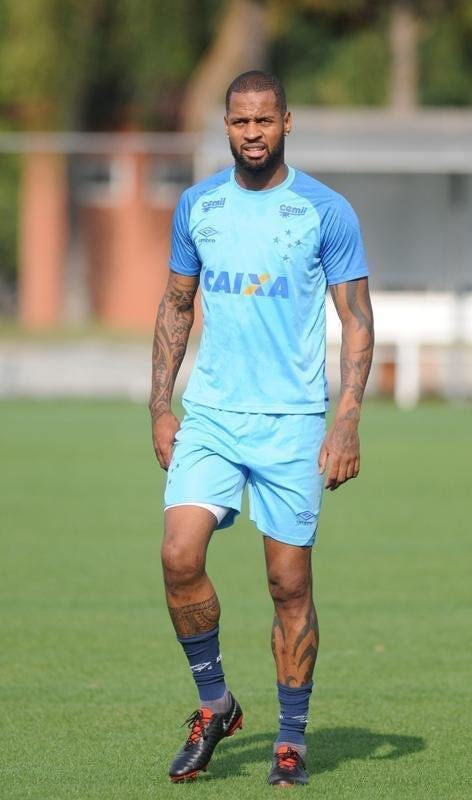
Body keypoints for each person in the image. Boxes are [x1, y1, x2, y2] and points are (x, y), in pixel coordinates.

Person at [149, 70, 374, 787]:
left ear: (287, 122)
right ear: (225, 125)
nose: (253, 133)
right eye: (240, 122)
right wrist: (160, 403)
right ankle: (215, 703)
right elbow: (176, 305)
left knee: (288, 585)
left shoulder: (324, 211)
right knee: (178, 555)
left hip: (291, 424)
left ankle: (290, 738)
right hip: (212, 416)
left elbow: (357, 322)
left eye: (265, 121)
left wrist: (346, 422)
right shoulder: (198, 205)